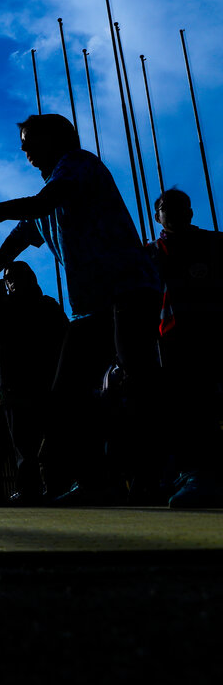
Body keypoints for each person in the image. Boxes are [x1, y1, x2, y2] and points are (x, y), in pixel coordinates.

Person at [0, 113, 161, 503]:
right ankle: (95, 481)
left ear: (55, 140)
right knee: (67, 395)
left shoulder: (78, 165)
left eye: (29, 142)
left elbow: (45, 200)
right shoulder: (45, 209)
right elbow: (4, 253)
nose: (24, 151)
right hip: (93, 310)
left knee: (140, 380)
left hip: (130, 291)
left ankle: (179, 469)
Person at [148, 188, 223, 507]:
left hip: (211, 333)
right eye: (167, 207)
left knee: (201, 402)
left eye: (181, 206)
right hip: (173, 340)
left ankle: (200, 472)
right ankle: (195, 471)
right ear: (157, 216)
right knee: (189, 405)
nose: (175, 212)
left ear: (191, 212)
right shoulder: (150, 253)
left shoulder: (214, 244)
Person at [0, 261, 68, 501]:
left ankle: (54, 486)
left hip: (44, 384)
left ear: (30, 278)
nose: (12, 281)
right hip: (15, 386)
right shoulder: (5, 307)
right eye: (8, 277)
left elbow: (65, 341)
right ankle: (32, 488)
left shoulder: (47, 305)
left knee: (48, 440)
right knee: (23, 444)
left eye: (16, 276)